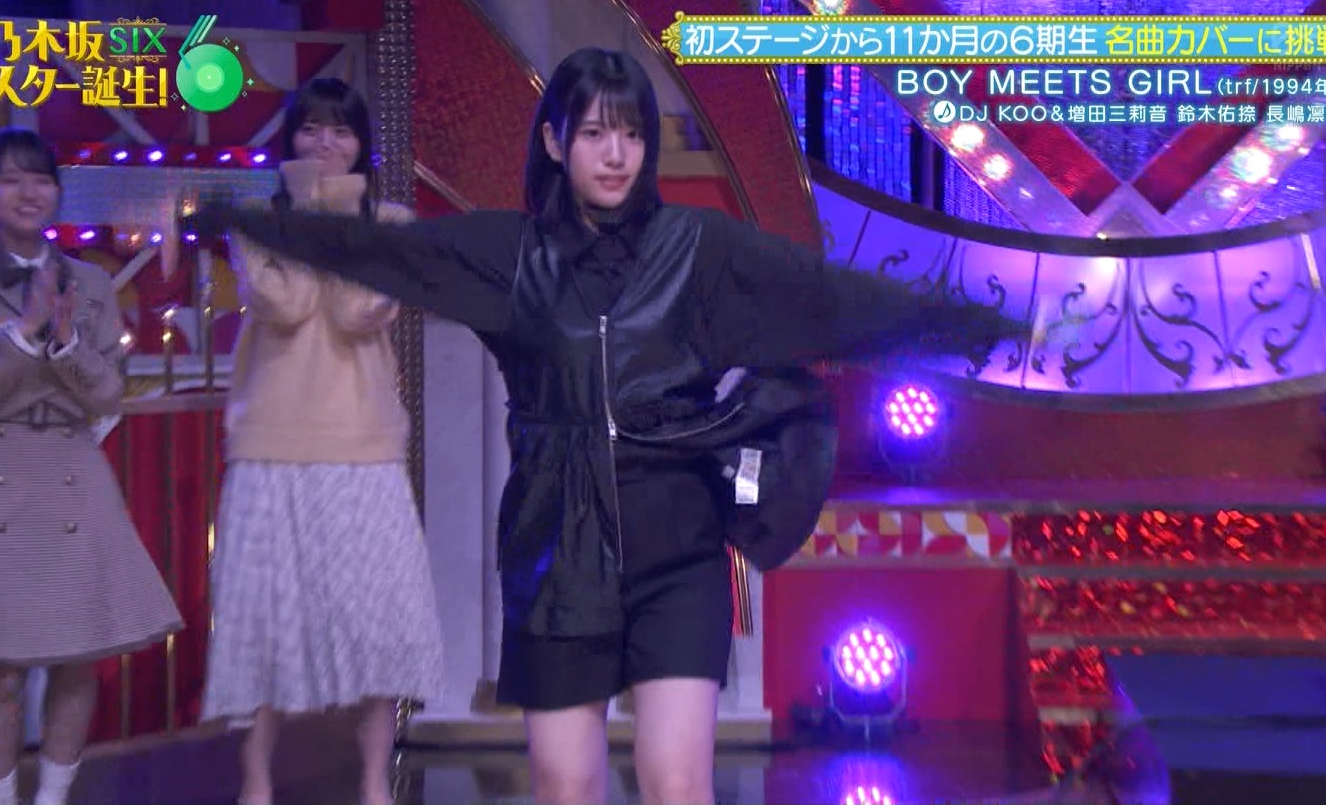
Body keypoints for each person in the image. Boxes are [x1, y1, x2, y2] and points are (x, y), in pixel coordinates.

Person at [192, 48, 1027, 805]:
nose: (617, 154)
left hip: (679, 550)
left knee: (677, 784)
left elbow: (825, 294)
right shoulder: (510, 254)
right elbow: (388, 255)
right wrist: (248, 222)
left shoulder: (696, 247)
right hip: (556, 552)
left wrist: (965, 323)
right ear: (555, 142)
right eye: (594, 133)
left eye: (631, 134)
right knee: (565, 786)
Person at [198, 78, 443, 805]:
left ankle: (372, 781)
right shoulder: (259, 222)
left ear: (362, 144)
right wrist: (307, 212)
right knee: (263, 623)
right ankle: (255, 783)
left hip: (362, 443)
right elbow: (286, 302)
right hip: (271, 443)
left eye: (341, 131)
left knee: (379, 621)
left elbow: (357, 310)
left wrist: (332, 215)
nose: (326, 144)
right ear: (291, 141)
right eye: (311, 130)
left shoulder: (390, 223)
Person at [0, 128, 183, 805]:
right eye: (12, 180)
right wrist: (24, 332)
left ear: (57, 192)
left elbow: (107, 393)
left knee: (79, 657)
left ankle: (53, 799)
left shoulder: (93, 282)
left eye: (41, 180)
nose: (28, 193)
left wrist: (67, 339)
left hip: (73, 473)